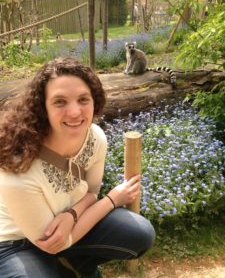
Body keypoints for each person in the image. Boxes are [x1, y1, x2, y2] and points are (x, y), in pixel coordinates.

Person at [0, 57, 155, 278]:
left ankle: (77, 263)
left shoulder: (95, 138)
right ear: (42, 107)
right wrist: (111, 200)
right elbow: (52, 243)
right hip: (18, 242)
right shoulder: (16, 169)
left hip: (71, 224)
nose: (74, 112)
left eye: (83, 99)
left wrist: (72, 214)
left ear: (95, 101)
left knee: (140, 234)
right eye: (60, 102)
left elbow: (91, 193)